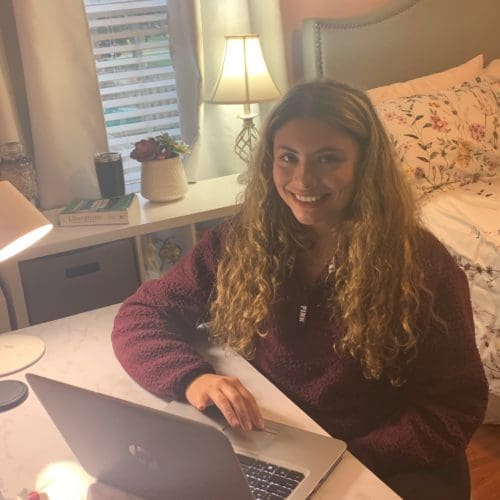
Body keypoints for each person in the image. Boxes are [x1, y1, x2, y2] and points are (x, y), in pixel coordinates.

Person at [112, 80, 488, 499]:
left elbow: (454, 408)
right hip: (279, 448)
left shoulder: (421, 265)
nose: (303, 179)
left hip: (385, 465)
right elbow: (143, 313)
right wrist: (192, 378)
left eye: (328, 159)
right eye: (288, 157)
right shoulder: (243, 241)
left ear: (365, 165)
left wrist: (345, 460)